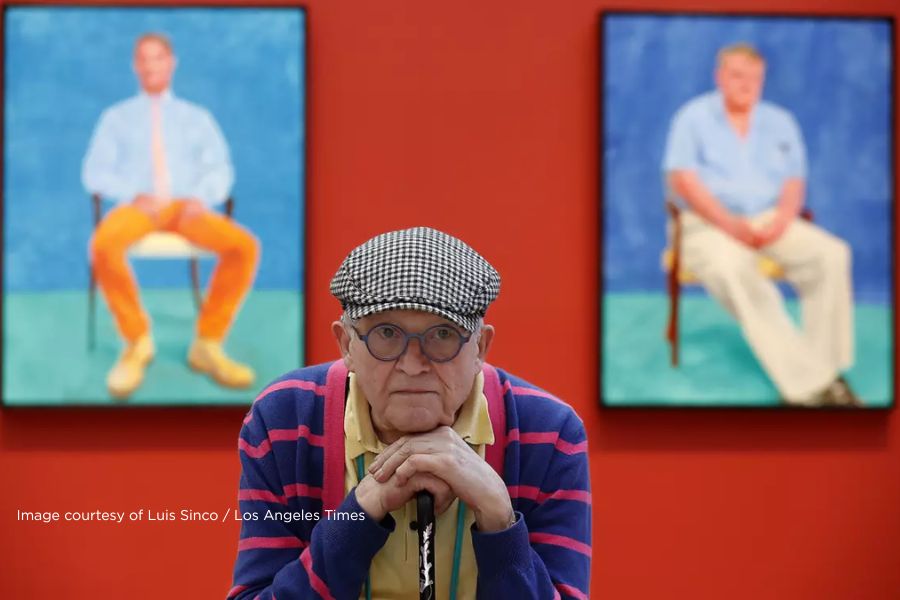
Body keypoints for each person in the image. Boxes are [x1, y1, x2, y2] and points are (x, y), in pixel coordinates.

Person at [227, 227, 591, 599]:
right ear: (346, 343)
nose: (413, 364)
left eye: (442, 335)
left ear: (480, 347)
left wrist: (499, 519)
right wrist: (359, 517)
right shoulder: (286, 419)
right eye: (387, 333)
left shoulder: (548, 433)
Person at [662, 42, 858, 407]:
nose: (746, 84)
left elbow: (794, 182)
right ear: (720, 77)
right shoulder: (692, 118)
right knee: (734, 268)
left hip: (770, 218)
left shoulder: (779, 121)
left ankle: (826, 371)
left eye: (754, 77)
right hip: (706, 223)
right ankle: (807, 389)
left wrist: (782, 221)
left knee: (831, 254)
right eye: (737, 75)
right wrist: (730, 225)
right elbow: (683, 181)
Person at [82, 32, 260, 399]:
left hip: (186, 208)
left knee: (243, 247)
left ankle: (207, 344)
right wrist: (132, 193)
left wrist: (201, 196)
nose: (151, 66)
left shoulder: (196, 117)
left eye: (158, 58)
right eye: (143, 59)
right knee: (103, 244)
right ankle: (136, 342)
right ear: (135, 66)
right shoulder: (116, 118)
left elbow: (219, 169)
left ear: (171, 62)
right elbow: (94, 171)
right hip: (138, 207)